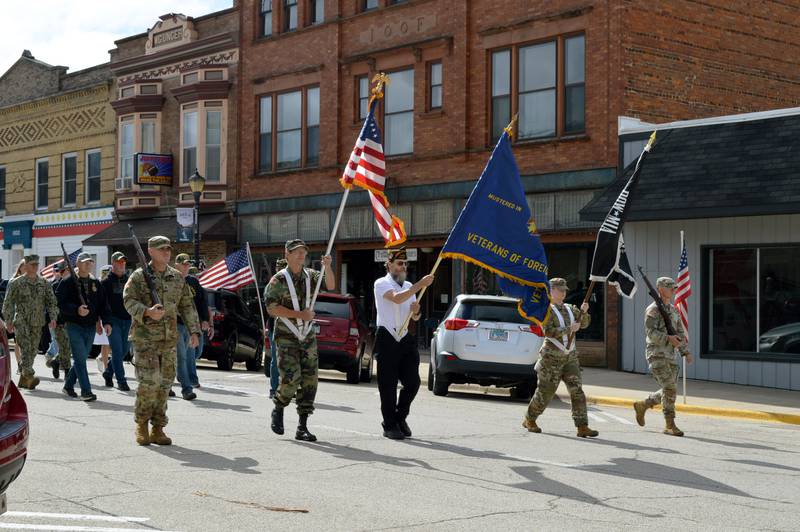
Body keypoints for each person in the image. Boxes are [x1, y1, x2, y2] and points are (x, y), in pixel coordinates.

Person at [124, 236, 200, 446]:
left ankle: (158, 427)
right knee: (149, 382)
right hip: (145, 339)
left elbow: (186, 305)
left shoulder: (177, 277)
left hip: (169, 339)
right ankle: (141, 424)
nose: (167, 252)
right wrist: (146, 312)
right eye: (162, 249)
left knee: (165, 384)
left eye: (168, 248)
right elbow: (128, 301)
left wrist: (194, 331)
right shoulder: (139, 276)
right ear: (150, 251)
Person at [266, 239, 334, 442]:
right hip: (287, 334)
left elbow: (330, 285)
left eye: (304, 251)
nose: (301, 255)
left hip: (307, 336)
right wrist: (299, 314)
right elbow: (271, 308)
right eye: (296, 252)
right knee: (291, 377)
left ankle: (302, 426)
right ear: (287, 254)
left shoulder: (311, 276)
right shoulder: (278, 280)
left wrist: (328, 267)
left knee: (310, 380)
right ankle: (279, 407)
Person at [522, 278, 599, 438]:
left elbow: (584, 324)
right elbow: (548, 331)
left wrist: (584, 312)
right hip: (551, 359)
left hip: (570, 358)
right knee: (546, 392)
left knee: (577, 391)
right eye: (560, 289)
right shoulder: (546, 310)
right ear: (551, 291)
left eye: (564, 289)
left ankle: (582, 426)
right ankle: (530, 418)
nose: (563, 292)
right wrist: (568, 329)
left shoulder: (571, 309)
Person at [372, 247, 434, 440]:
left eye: (405, 264)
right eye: (399, 264)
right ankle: (389, 424)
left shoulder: (408, 285)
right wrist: (420, 285)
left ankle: (400, 417)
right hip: (387, 336)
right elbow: (397, 299)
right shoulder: (381, 283)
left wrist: (416, 312)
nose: (403, 267)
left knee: (413, 382)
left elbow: (414, 316)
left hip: (405, 337)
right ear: (389, 264)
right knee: (388, 385)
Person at [634, 277, 693, 436]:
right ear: (660, 289)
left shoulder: (673, 310)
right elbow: (650, 333)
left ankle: (643, 404)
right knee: (670, 388)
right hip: (656, 355)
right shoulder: (653, 310)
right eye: (670, 287)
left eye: (674, 288)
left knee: (668, 390)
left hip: (670, 356)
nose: (674, 290)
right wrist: (668, 338)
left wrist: (685, 351)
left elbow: (679, 333)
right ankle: (670, 424)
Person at [56, 253, 111, 402]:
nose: (88, 265)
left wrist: (106, 322)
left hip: (90, 326)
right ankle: (86, 391)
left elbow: (103, 304)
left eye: (90, 262)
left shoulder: (96, 283)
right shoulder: (67, 281)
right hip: (74, 325)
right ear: (78, 264)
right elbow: (60, 303)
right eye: (85, 262)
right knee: (81, 359)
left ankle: (68, 386)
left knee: (81, 358)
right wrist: (76, 310)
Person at [1, 255, 58, 389]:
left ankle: (23, 379)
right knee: (26, 347)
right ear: (25, 266)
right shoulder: (16, 283)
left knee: (32, 351)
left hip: (38, 322)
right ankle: (30, 375)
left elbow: (51, 302)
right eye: (32, 264)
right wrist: (8, 321)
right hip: (21, 321)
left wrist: (53, 317)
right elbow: (8, 302)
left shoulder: (44, 283)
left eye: (37, 264)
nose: (35, 267)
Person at [172, 253, 209, 400]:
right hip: (176, 323)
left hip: (192, 323)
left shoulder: (193, 282)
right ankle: (187, 386)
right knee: (182, 355)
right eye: (184, 264)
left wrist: (205, 319)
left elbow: (201, 302)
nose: (186, 267)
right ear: (177, 265)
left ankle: (182, 379)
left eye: (188, 264)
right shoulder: (171, 279)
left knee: (195, 353)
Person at [101, 253, 132, 391]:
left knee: (124, 350)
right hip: (113, 320)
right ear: (113, 263)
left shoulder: (130, 281)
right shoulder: (105, 282)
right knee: (118, 351)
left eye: (123, 262)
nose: (121, 264)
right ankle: (121, 380)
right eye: (119, 262)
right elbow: (102, 304)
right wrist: (103, 322)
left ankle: (108, 372)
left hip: (128, 320)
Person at [47, 263, 73, 380]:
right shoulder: (55, 286)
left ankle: (56, 362)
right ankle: (68, 372)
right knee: (64, 346)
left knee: (68, 347)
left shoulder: (74, 285)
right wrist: (52, 319)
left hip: (73, 322)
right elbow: (50, 305)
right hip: (59, 322)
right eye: (66, 271)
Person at [268, 258, 288, 399]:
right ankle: (274, 388)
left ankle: (287, 388)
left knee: (289, 360)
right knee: (276, 360)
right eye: (278, 268)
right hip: (274, 327)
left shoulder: (293, 286)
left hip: (291, 328)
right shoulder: (272, 285)